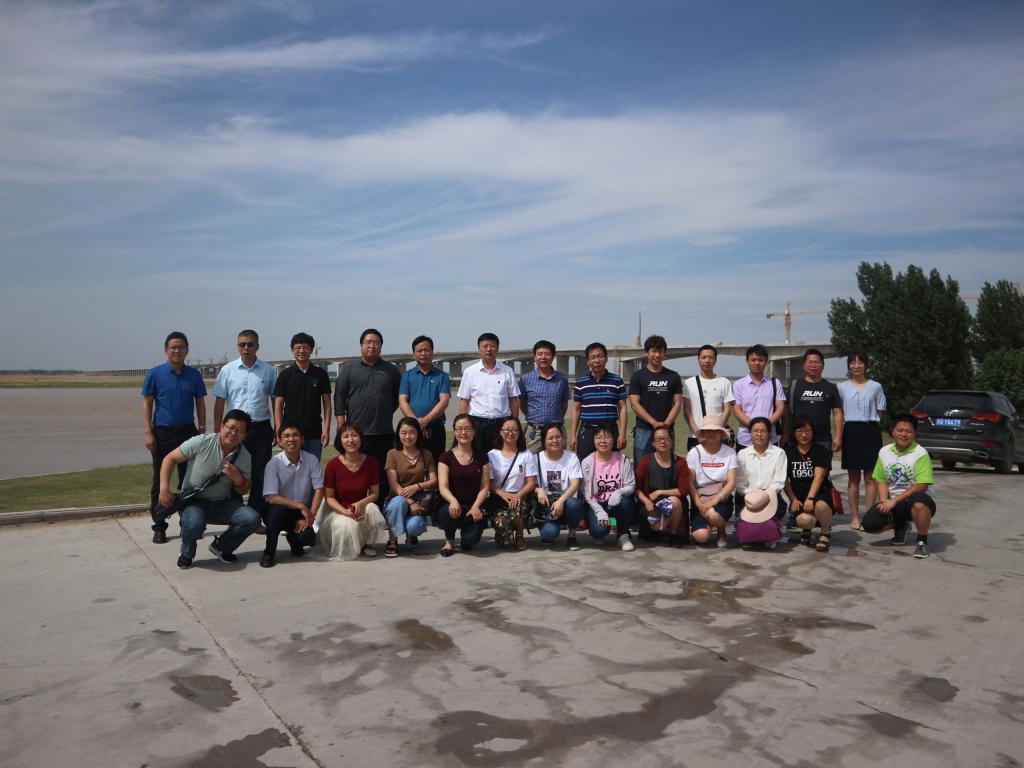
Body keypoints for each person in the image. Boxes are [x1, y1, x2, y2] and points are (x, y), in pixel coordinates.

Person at [158, 410, 261, 569]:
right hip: (194, 502)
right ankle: (186, 553)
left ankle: (222, 547)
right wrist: (164, 489)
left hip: (222, 503)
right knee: (194, 523)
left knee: (252, 519)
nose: (233, 433)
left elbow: (243, 490)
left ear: (245, 435)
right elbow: (170, 458)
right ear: (221, 426)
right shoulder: (202, 442)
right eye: (230, 427)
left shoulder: (245, 456)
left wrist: (237, 478)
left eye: (239, 430)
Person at [143, 331, 207, 544]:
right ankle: (159, 525)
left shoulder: (194, 375)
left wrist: (202, 428)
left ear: (187, 350)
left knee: (188, 480)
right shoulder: (155, 374)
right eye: (173, 347)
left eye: (181, 347)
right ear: (166, 350)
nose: (177, 351)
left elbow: (200, 403)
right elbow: (147, 404)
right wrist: (148, 432)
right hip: (162, 433)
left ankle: (187, 522)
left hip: (188, 432)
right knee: (159, 481)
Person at [213, 329, 276, 518]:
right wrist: (218, 429)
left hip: (261, 428)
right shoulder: (228, 370)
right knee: (233, 471)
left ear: (257, 346)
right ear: (238, 346)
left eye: (250, 344)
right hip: (235, 430)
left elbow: (276, 400)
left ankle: (256, 515)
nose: (246, 348)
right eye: (242, 344)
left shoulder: (268, 370)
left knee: (260, 473)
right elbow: (219, 402)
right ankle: (236, 514)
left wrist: (277, 427)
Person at [334, 328, 403, 501]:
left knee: (381, 475)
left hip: (383, 432)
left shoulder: (391, 370)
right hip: (357, 434)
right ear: (361, 345)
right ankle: (354, 508)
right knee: (356, 473)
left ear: (381, 346)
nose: (372, 345)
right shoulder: (349, 369)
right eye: (368, 342)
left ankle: (379, 509)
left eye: (376, 342)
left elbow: (397, 399)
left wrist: (382, 410)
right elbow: (339, 398)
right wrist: (342, 426)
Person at [862, 414, 936, 559]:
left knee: (918, 499)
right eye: (900, 430)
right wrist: (884, 501)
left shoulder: (921, 453)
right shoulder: (884, 451)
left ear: (915, 433)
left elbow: (922, 485)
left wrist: (894, 501)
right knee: (869, 524)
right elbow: (882, 480)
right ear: (892, 430)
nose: (903, 434)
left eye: (908, 431)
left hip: (919, 502)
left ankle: (922, 541)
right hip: (895, 503)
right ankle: (901, 526)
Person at [316, 421, 389, 560]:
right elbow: (329, 498)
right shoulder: (332, 465)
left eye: (354, 435)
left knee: (373, 509)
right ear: (340, 440)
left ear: (361, 438)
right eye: (346, 436)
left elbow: (375, 493)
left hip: (360, 507)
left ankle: (363, 544)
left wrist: (361, 504)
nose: (350, 440)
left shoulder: (371, 462)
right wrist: (345, 512)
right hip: (338, 510)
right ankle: (350, 546)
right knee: (346, 525)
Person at [260, 423, 323, 568]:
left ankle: (294, 539)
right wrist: (301, 506)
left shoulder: (311, 460)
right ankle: (269, 552)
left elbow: (319, 489)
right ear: (280, 441)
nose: (291, 439)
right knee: (278, 512)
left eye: (295, 435)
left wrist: (310, 516)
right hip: (277, 510)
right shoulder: (273, 463)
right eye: (286, 436)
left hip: (299, 512)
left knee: (308, 538)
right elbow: (272, 497)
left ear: (302, 439)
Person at [838, 352, 886, 530]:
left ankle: (869, 517)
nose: (856, 366)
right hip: (851, 431)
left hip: (870, 430)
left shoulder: (876, 386)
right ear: (848, 365)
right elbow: (839, 412)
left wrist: (871, 424)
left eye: (860, 362)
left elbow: (880, 410)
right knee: (853, 478)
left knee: (870, 478)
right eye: (852, 362)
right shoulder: (841, 387)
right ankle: (855, 517)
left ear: (866, 365)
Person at [457, 332, 520, 458]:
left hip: (502, 424)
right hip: (478, 424)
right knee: (478, 459)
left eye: (492, 346)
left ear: (498, 348)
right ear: (479, 349)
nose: (489, 349)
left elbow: (513, 399)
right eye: (485, 346)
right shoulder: (470, 372)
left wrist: (514, 422)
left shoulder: (507, 371)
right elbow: (464, 401)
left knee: (503, 458)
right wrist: (464, 425)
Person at [437, 413, 491, 557]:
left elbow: (485, 486)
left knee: (472, 539)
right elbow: (443, 486)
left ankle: (465, 537)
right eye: (459, 429)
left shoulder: (482, 456)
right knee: (448, 512)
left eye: (467, 428)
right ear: (454, 431)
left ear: (474, 431)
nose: (463, 432)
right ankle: (449, 541)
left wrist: (476, 506)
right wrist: (453, 501)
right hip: (452, 506)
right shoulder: (445, 457)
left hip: (473, 506)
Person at [272, 332, 332, 461]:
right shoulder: (285, 375)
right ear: (292, 350)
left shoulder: (320, 374)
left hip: (314, 433)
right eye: (297, 347)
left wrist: (326, 430)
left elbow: (327, 404)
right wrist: (279, 431)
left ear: (311, 350)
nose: (301, 351)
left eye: (305, 347)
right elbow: (278, 406)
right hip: (290, 434)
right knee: (290, 469)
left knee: (313, 469)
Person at [383, 417, 438, 557]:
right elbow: (393, 484)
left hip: (419, 501)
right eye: (403, 432)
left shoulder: (426, 454)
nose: (408, 436)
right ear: (398, 434)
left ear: (418, 434)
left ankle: (411, 534)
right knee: (398, 501)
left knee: (415, 526)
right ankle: (393, 539)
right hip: (397, 500)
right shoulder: (392, 454)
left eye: (412, 432)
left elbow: (434, 480)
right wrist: (410, 501)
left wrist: (417, 486)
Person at [485, 417, 538, 552]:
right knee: (504, 539)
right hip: (499, 497)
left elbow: (531, 483)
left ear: (519, 432)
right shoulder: (492, 455)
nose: (510, 433)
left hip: (520, 496)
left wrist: (517, 495)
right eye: (507, 429)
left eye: (514, 430)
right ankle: (503, 532)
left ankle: (519, 536)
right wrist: (503, 494)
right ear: (500, 432)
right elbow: (488, 482)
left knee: (516, 509)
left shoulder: (526, 454)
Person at [581, 425, 637, 551]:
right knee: (598, 531)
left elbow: (631, 485)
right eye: (599, 437)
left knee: (626, 501)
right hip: (598, 504)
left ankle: (623, 535)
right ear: (594, 440)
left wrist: (618, 492)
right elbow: (587, 493)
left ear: (613, 439)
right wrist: (599, 511)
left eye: (607, 437)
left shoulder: (622, 460)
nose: (603, 441)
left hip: (616, 504)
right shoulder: (587, 463)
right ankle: (606, 528)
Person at [629, 335, 683, 463]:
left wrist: (666, 424)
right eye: (653, 351)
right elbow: (635, 404)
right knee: (642, 466)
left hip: (667, 430)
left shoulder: (673, 376)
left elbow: (677, 403)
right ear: (647, 352)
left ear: (664, 353)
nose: (657, 355)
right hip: (644, 430)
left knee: (667, 465)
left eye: (660, 351)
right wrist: (653, 423)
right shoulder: (637, 376)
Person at [686, 413, 737, 548]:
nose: (712, 434)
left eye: (716, 431)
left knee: (713, 515)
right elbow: (690, 482)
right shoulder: (694, 453)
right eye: (708, 431)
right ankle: (707, 526)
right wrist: (699, 504)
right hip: (700, 499)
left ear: (721, 433)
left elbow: (731, 482)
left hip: (721, 499)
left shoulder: (730, 453)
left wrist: (714, 501)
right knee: (701, 537)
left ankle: (721, 531)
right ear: (703, 433)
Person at [784, 417, 834, 552]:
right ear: (794, 432)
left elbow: (819, 476)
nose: (804, 435)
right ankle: (807, 529)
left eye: (808, 431)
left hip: (819, 493)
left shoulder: (820, 450)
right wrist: (793, 499)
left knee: (821, 506)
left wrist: (810, 498)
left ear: (813, 432)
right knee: (805, 520)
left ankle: (824, 533)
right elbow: (784, 479)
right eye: (800, 431)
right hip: (799, 496)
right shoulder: (788, 451)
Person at [398, 335, 451, 462]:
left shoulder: (442, 376)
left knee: (436, 462)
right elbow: (402, 401)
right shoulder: (407, 376)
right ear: (414, 354)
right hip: (412, 429)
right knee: (413, 463)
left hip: (435, 428)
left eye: (426, 350)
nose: (423, 353)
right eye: (419, 351)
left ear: (432, 352)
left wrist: (426, 421)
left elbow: (444, 401)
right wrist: (417, 424)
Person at [635, 425, 689, 547]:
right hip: (651, 504)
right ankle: (662, 529)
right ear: (653, 443)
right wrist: (646, 502)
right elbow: (636, 488)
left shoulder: (680, 462)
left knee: (674, 501)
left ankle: (673, 533)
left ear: (671, 441)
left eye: (666, 438)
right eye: (659, 439)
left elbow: (684, 490)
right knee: (658, 526)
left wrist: (660, 492)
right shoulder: (646, 460)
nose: (663, 441)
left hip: (673, 504)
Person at [571, 342, 628, 460]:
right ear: (588, 361)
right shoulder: (581, 382)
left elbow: (622, 408)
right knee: (584, 464)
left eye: (600, 356)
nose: (597, 360)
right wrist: (573, 435)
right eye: (592, 357)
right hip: (587, 431)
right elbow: (576, 410)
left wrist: (622, 434)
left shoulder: (617, 380)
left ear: (606, 358)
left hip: (610, 431)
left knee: (611, 464)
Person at [534, 423, 586, 549]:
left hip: (566, 503)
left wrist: (562, 500)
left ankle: (572, 536)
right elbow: (529, 483)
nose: (555, 441)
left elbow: (575, 484)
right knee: (549, 534)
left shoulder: (571, 457)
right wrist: (538, 489)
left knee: (574, 504)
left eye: (558, 437)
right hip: (547, 506)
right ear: (544, 441)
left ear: (563, 438)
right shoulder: (536, 458)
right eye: (550, 438)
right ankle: (551, 529)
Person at [786, 348, 843, 454]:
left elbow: (837, 413)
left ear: (823, 365)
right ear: (804, 365)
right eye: (810, 362)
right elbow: (787, 412)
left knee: (822, 465)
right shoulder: (794, 386)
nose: (813, 365)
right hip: (798, 439)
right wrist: (785, 434)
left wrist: (838, 437)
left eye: (816, 362)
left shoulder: (830, 387)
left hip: (823, 440)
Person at [519, 340, 570, 453]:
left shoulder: (561, 379)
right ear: (534, 357)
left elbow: (564, 404)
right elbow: (522, 404)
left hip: (556, 430)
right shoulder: (525, 379)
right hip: (534, 432)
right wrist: (534, 418)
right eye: (540, 354)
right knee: (531, 460)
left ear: (552, 357)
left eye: (547, 354)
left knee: (558, 460)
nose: (543, 357)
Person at [733, 344, 786, 450]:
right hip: (745, 440)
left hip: (770, 439)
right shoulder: (738, 384)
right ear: (747, 361)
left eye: (761, 360)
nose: (757, 363)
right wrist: (755, 427)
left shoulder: (775, 383)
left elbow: (781, 407)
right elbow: (736, 410)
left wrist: (765, 426)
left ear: (766, 361)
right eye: (753, 360)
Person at [683, 344, 735, 451]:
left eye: (711, 357)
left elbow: (727, 410)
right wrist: (697, 433)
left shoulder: (724, 382)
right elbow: (687, 411)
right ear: (698, 359)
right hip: (695, 436)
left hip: (718, 436)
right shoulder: (689, 383)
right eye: (704, 357)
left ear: (715, 360)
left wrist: (717, 430)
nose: (707, 360)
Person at [735, 416, 787, 518]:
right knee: (747, 525)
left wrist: (764, 496)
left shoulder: (779, 453)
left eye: (763, 431)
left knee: (767, 525)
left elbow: (779, 481)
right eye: (755, 431)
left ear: (769, 433)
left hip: (771, 497)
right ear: (750, 433)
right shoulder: (742, 454)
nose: (759, 434)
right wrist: (752, 497)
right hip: (747, 498)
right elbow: (740, 483)